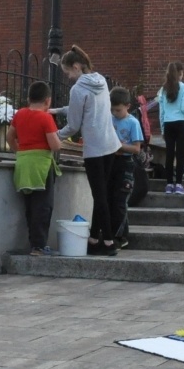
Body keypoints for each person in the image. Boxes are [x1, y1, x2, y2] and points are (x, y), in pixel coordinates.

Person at [54, 46, 123, 255]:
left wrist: (54, 135)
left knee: (99, 196)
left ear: (76, 67)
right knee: (102, 194)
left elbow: (73, 126)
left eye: (68, 72)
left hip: (94, 148)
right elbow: (85, 110)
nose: (68, 77)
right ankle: (94, 239)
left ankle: (109, 242)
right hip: (111, 144)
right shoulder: (100, 81)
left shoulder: (78, 89)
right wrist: (57, 110)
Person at [10, 81, 62, 255]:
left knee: (30, 205)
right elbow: (55, 145)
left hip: (23, 164)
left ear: (28, 98)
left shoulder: (19, 114)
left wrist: (21, 152)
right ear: (48, 101)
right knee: (43, 206)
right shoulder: (46, 117)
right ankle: (38, 246)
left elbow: (10, 137)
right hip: (41, 166)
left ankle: (33, 243)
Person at [110, 86, 144, 249]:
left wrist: (121, 146)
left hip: (126, 162)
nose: (115, 113)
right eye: (113, 110)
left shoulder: (132, 122)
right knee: (113, 199)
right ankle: (120, 234)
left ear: (127, 106)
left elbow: (136, 148)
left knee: (121, 200)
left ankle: (119, 235)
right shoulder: (110, 119)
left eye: (118, 110)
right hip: (111, 162)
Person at [156, 61, 184, 194]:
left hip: (168, 124)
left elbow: (162, 112)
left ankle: (169, 184)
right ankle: (179, 184)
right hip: (181, 123)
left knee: (170, 155)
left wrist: (162, 128)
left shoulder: (163, 89)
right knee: (181, 155)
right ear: (180, 73)